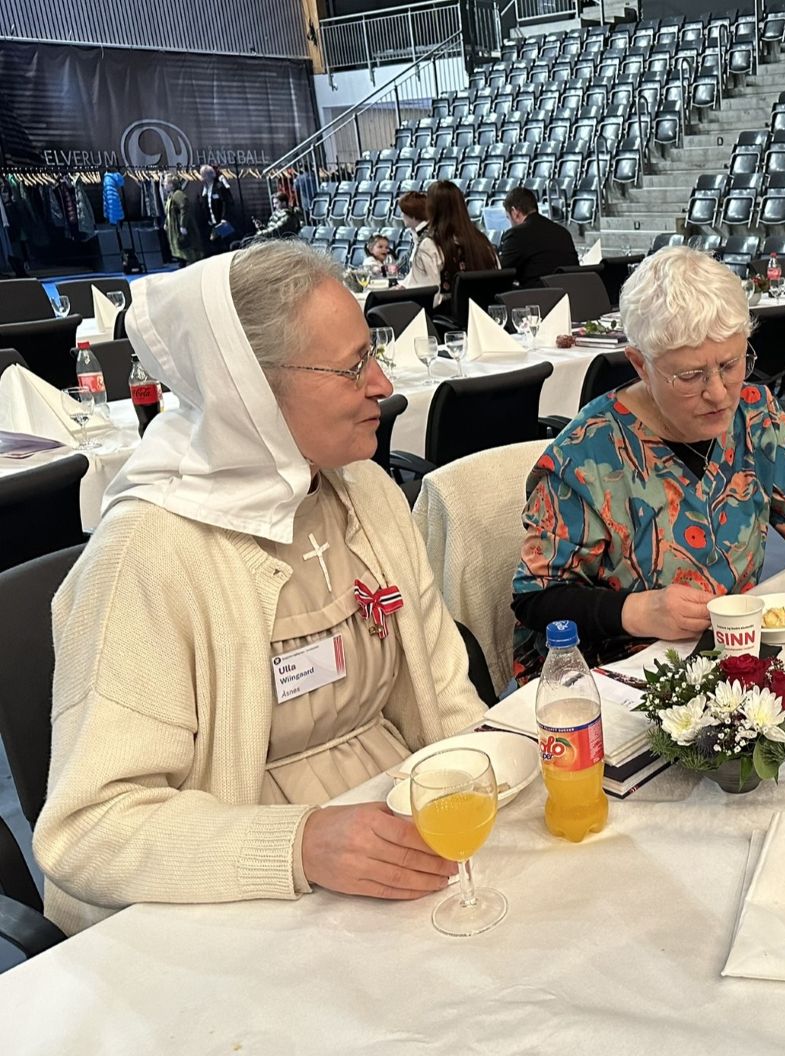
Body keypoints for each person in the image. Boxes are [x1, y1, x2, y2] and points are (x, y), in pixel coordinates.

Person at [33, 241, 487, 936]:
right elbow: (89, 829)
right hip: (232, 897)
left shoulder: (364, 490)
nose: (383, 386)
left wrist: (490, 781)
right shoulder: (148, 556)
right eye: (353, 366)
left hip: (395, 833)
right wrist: (297, 844)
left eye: (373, 354)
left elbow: (445, 695)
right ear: (247, 387)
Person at [510, 247, 785, 681]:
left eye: (731, 364)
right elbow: (536, 599)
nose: (719, 393)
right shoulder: (585, 458)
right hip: (618, 679)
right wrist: (636, 611)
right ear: (641, 364)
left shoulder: (754, 415)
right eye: (691, 377)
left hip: (732, 664)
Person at [400, 181, 497, 306]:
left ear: (430, 209)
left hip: (445, 320)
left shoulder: (430, 245)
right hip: (484, 317)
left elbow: (425, 298)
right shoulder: (483, 241)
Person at [497, 186, 578, 287]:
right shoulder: (563, 232)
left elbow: (501, 274)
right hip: (569, 293)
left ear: (514, 212)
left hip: (537, 297)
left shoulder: (516, 234)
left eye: (508, 218)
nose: (510, 223)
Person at [190, 164, 234, 257]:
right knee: (215, 244)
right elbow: (203, 204)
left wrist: (224, 218)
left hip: (222, 221)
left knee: (225, 243)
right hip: (212, 222)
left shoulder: (219, 186)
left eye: (203, 175)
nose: (202, 177)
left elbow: (227, 202)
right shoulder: (204, 189)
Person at [164, 176, 191, 265]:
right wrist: (166, 223)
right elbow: (168, 212)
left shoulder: (178, 194)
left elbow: (184, 208)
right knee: (178, 251)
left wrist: (183, 225)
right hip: (173, 229)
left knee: (184, 250)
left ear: (171, 184)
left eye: (166, 183)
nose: (164, 184)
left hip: (178, 228)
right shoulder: (170, 196)